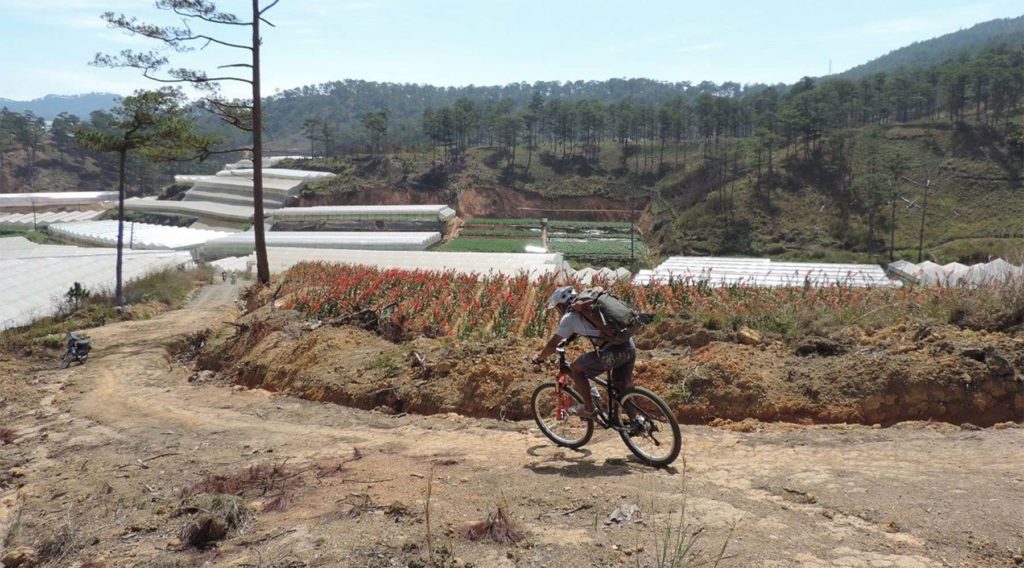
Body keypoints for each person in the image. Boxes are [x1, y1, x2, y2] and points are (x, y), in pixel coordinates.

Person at [530, 286, 637, 420]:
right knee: (621, 387)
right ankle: (638, 421)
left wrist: (539, 358)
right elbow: (577, 332)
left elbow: (552, 344)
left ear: (562, 305)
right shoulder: (589, 308)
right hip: (629, 345)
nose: (558, 312)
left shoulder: (570, 318)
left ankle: (589, 408)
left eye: (558, 308)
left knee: (576, 368)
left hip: (613, 352)